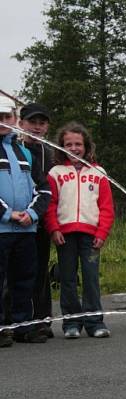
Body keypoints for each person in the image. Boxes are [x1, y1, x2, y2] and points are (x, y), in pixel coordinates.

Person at [45, 122, 114, 339]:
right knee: (67, 278)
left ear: (86, 146)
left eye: (78, 144)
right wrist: (53, 229)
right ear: (61, 146)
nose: (74, 148)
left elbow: (106, 207)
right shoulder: (55, 173)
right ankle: (71, 322)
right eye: (69, 144)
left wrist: (102, 233)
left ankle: (95, 322)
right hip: (64, 234)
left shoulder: (98, 172)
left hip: (91, 234)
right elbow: (50, 205)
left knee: (91, 277)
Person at [0, 96, 52, 347]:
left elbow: (43, 189)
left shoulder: (25, 153)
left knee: (25, 278)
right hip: (2, 227)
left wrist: (31, 215)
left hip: (26, 229)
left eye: (7, 117)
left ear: (14, 120)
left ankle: (22, 325)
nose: (3, 122)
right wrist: (8, 213)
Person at [18, 103, 55, 339]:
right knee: (19, 273)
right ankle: (17, 320)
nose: (37, 127)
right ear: (22, 124)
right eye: (33, 122)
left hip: (43, 221)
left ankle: (42, 319)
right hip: (19, 221)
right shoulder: (17, 149)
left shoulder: (52, 154)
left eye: (41, 123)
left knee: (41, 271)